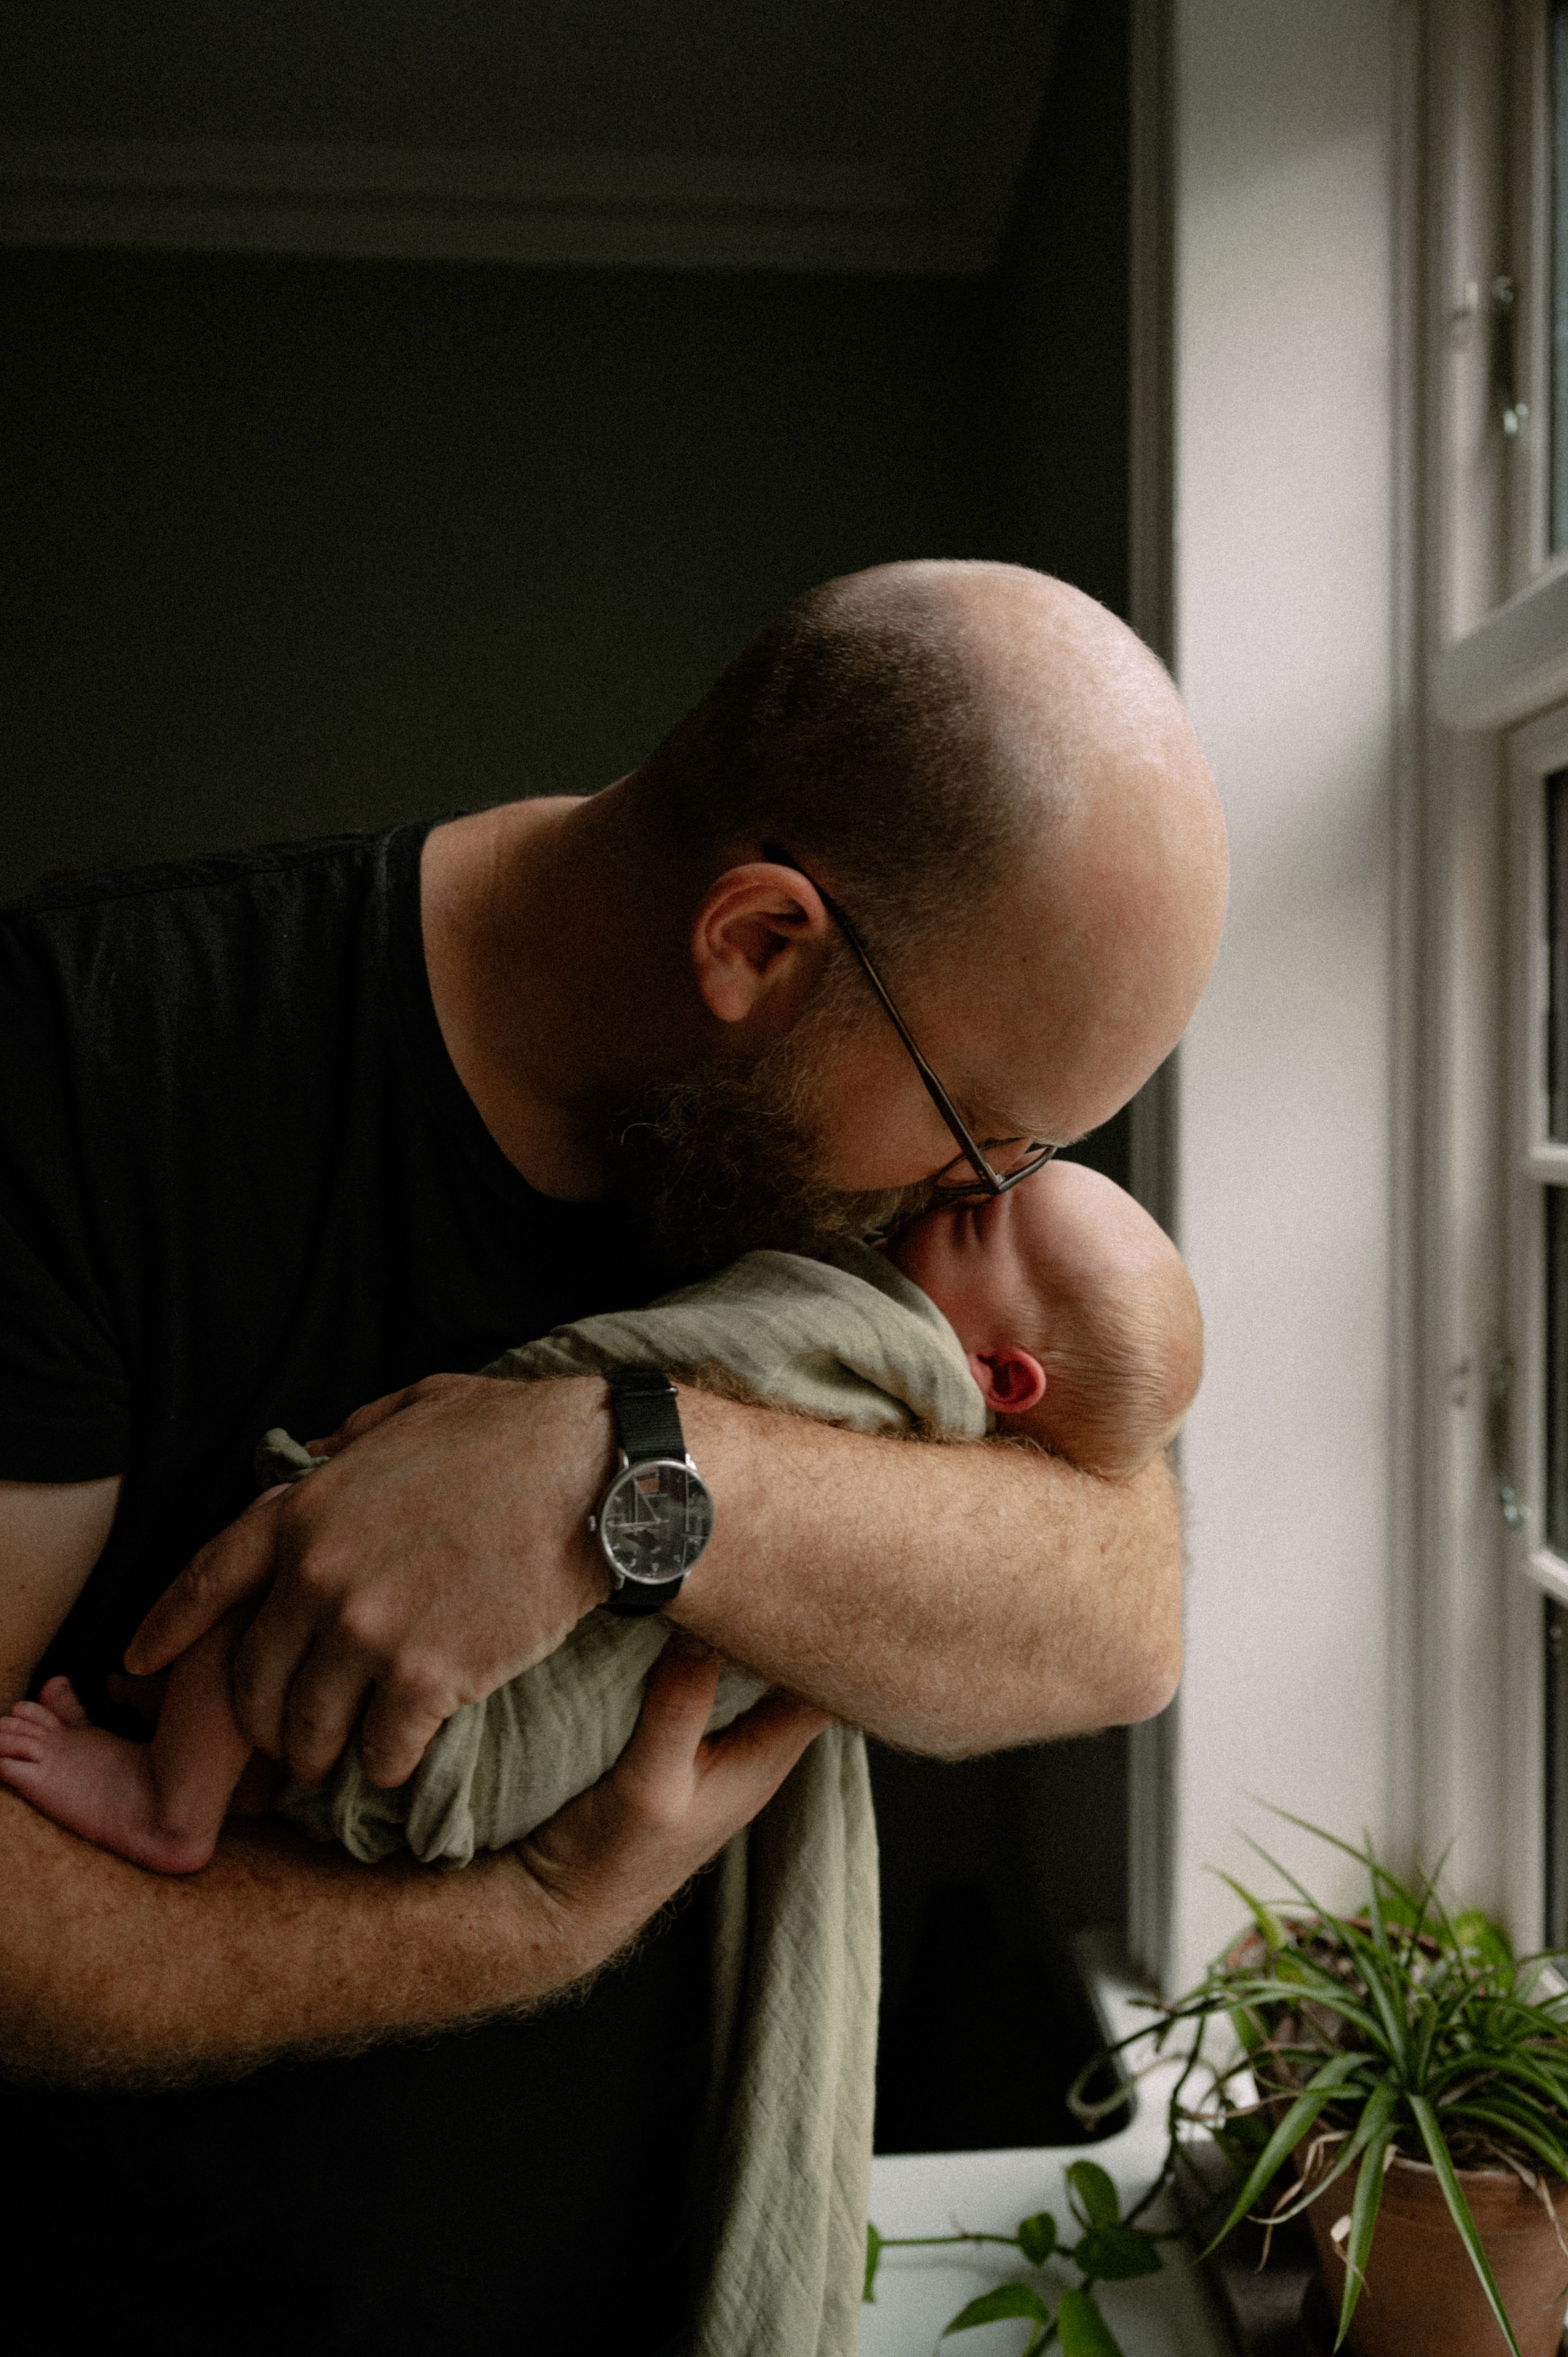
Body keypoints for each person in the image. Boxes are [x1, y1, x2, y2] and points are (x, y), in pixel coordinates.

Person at [0, 561, 1228, 2354]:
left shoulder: (854, 1225)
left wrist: (617, 1477)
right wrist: (535, 1918)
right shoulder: (89, 1061)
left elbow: (1119, 1608)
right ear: (759, 944)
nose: (980, 1203)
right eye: (986, 1135)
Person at [0, 1158, 1201, 2357]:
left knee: (282, 1575)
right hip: (206, 2241)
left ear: (996, 1377)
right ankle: (227, 1786)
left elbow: (1138, 1638)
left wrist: (574, 1454)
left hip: (505, 1809)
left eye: (980, 1213)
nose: (959, 1179)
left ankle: (167, 1803)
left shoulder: (883, 1357)